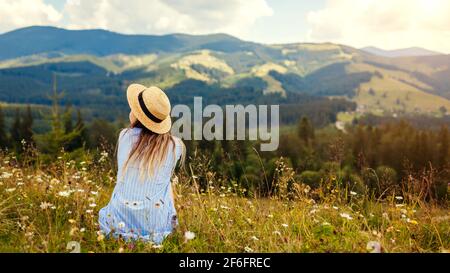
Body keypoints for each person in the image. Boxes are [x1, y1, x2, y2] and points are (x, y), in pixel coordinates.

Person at [99, 83, 185, 244]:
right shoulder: (176, 146)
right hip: (156, 230)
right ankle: (159, 221)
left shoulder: (124, 136)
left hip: (117, 225)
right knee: (166, 184)